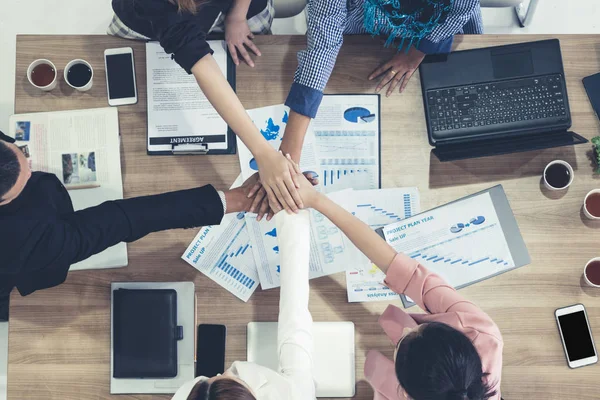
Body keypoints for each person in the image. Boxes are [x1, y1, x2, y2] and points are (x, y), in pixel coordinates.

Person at [289, 159, 503, 400]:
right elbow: (395, 264)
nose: (406, 330)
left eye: (401, 342)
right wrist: (317, 200)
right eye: (423, 328)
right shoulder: (481, 331)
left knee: (369, 371)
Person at [0, 134, 257, 321]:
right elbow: (122, 220)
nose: (31, 165)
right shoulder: (26, 238)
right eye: (28, 174)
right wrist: (228, 201)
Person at [109, 0, 303, 214]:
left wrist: (237, 16)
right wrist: (264, 153)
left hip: (237, 11)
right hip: (151, 22)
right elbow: (198, 59)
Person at [280, 0, 482, 167]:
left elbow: (461, 9)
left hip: (431, 32)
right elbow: (323, 45)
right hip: (362, 31)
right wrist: (289, 152)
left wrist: (416, 52)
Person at [171, 209, 315, 399]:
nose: (228, 371)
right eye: (232, 379)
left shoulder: (187, 394)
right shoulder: (295, 395)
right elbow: (295, 321)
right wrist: (291, 212)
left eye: (217, 377)